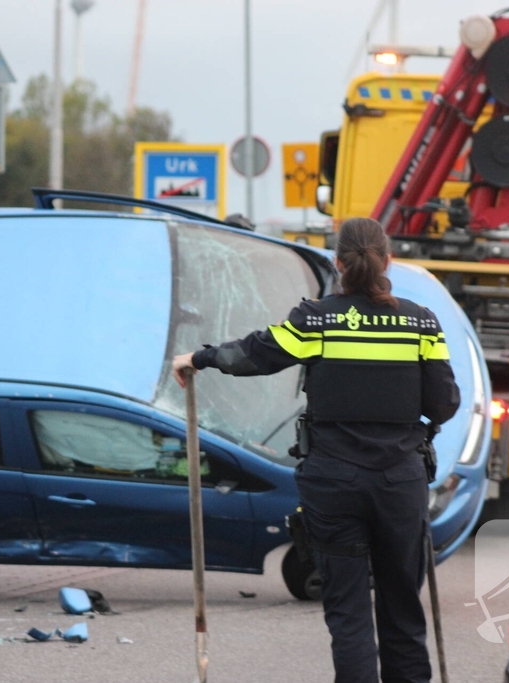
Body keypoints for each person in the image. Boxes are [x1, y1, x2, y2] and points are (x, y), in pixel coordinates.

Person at [172, 217, 460, 683]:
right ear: (388, 261)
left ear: (337, 264)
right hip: (399, 484)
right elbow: (444, 404)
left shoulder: (317, 319)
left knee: (347, 612)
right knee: (402, 608)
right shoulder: (420, 323)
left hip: (334, 482)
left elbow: (255, 354)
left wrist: (199, 358)